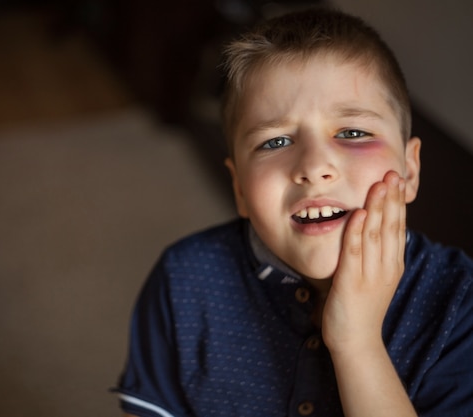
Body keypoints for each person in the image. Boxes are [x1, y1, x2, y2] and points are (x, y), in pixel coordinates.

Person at [115, 7, 473, 417]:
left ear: (409, 171)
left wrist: (357, 341)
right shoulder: (182, 280)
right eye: (275, 142)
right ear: (239, 189)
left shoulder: (459, 306)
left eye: (353, 132)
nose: (313, 167)